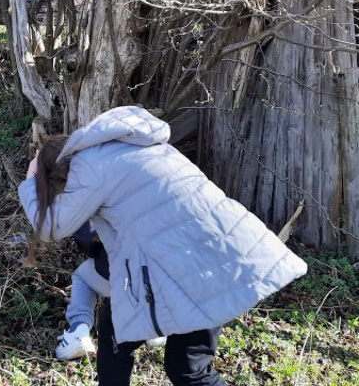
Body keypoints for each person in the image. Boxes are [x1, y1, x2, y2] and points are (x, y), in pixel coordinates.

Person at [19, 106, 307, 386]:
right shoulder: (136, 145)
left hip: (191, 270)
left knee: (186, 370)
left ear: (58, 174)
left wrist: (32, 179)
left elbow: (51, 227)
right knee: (138, 343)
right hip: (221, 256)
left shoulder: (90, 166)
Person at [56, 222, 164, 361]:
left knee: (83, 277)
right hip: (167, 270)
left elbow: (87, 235)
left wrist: (97, 252)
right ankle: (154, 327)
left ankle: (79, 331)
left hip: (120, 266)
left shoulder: (92, 199)